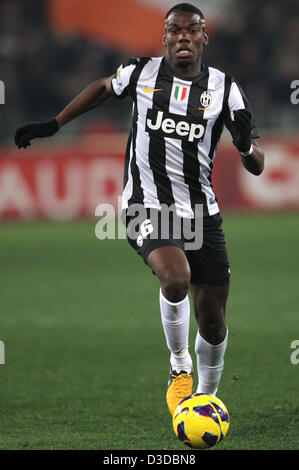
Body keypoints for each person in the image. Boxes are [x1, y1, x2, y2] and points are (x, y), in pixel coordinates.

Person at [14, 3, 265, 416]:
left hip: (202, 214)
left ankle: (205, 399)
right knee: (176, 276)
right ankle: (179, 366)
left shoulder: (226, 89)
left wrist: (244, 146)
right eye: (175, 30)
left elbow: (257, 164)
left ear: (205, 37)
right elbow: (101, 88)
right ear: (164, 37)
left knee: (214, 321)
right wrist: (55, 124)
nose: (183, 37)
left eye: (192, 30)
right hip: (144, 205)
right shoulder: (142, 73)